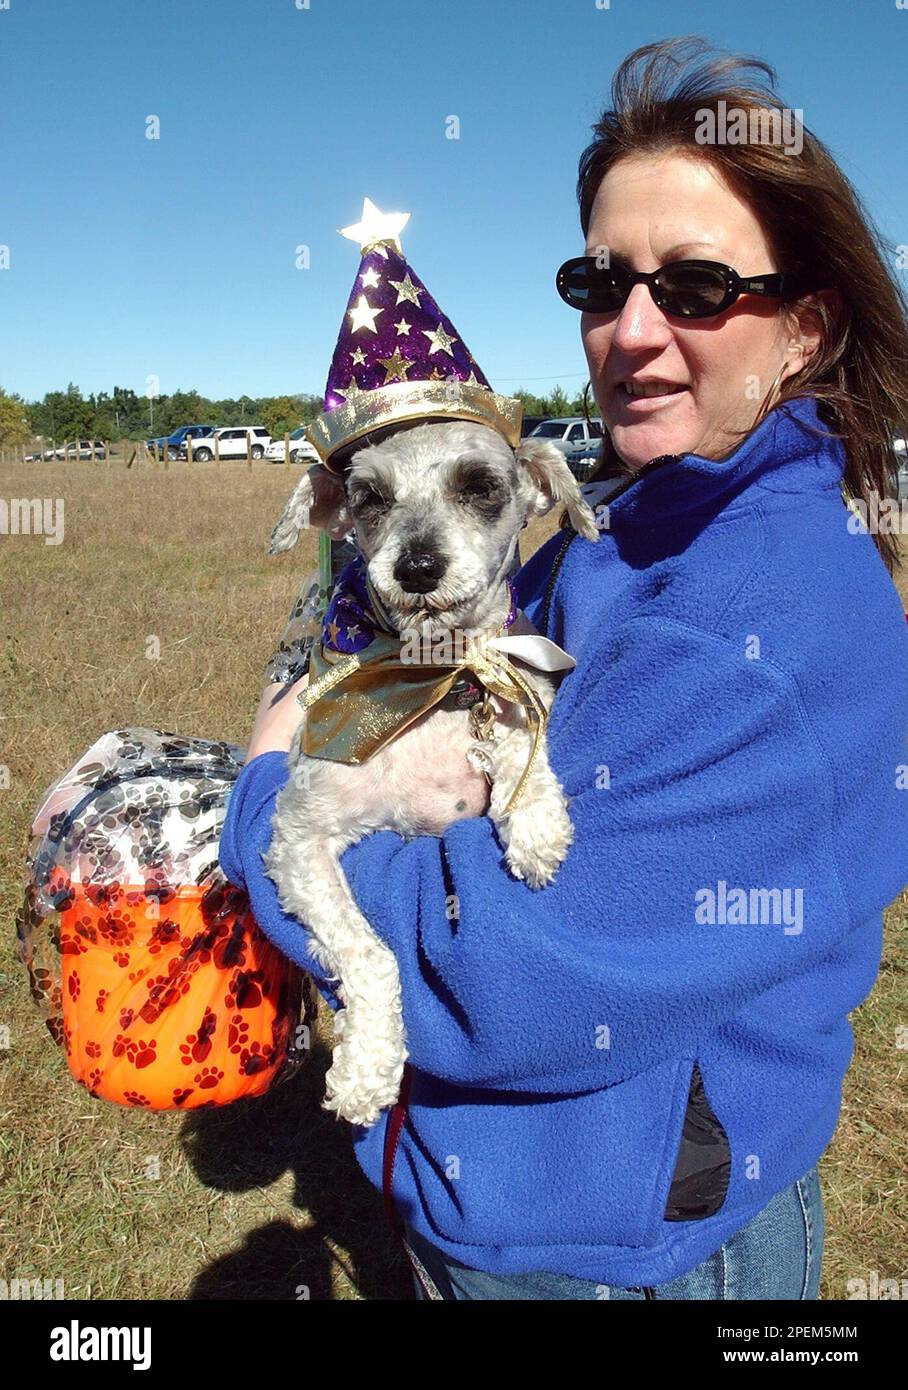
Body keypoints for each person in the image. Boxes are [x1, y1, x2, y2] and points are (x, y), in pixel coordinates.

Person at [217, 36, 908, 1299]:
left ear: (804, 326)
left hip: (610, 1242)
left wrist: (262, 791)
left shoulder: (759, 618)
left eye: (696, 288)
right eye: (601, 283)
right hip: (486, 1188)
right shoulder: (631, 512)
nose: (632, 332)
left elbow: (499, 975)